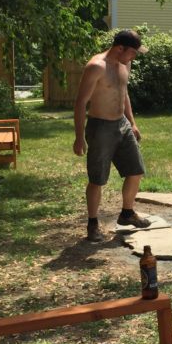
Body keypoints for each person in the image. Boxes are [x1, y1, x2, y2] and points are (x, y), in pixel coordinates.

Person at [73, 29, 152, 241]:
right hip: (100, 127)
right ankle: (92, 224)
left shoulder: (125, 63)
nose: (134, 57)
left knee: (135, 170)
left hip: (122, 124)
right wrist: (79, 137)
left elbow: (123, 93)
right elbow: (80, 103)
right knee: (97, 179)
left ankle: (127, 213)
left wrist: (132, 123)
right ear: (120, 48)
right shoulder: (96, 67)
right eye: (133, 52)